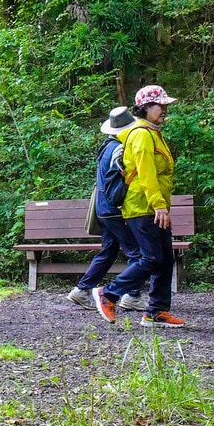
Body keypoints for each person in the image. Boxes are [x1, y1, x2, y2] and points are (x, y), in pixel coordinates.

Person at [91, 86, 185, 327]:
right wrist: (159, 206)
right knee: (152, 258)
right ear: (145, 108)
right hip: (142, 207)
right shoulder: (142, 134)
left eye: (166, 105)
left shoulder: (152, 132)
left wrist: (161, 206)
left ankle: (156, 312)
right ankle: (109, 294)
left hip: (153, 207)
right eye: (159, 105)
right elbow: (146, 173)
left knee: (165, 259)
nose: (164, 109)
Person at [68, 107, 146, 312]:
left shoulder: (106, 147)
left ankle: (82, 290)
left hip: (103, 208)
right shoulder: (120, 149)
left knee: (109, 251)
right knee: (138, 254)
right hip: (114, 209)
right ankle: (132, 295)